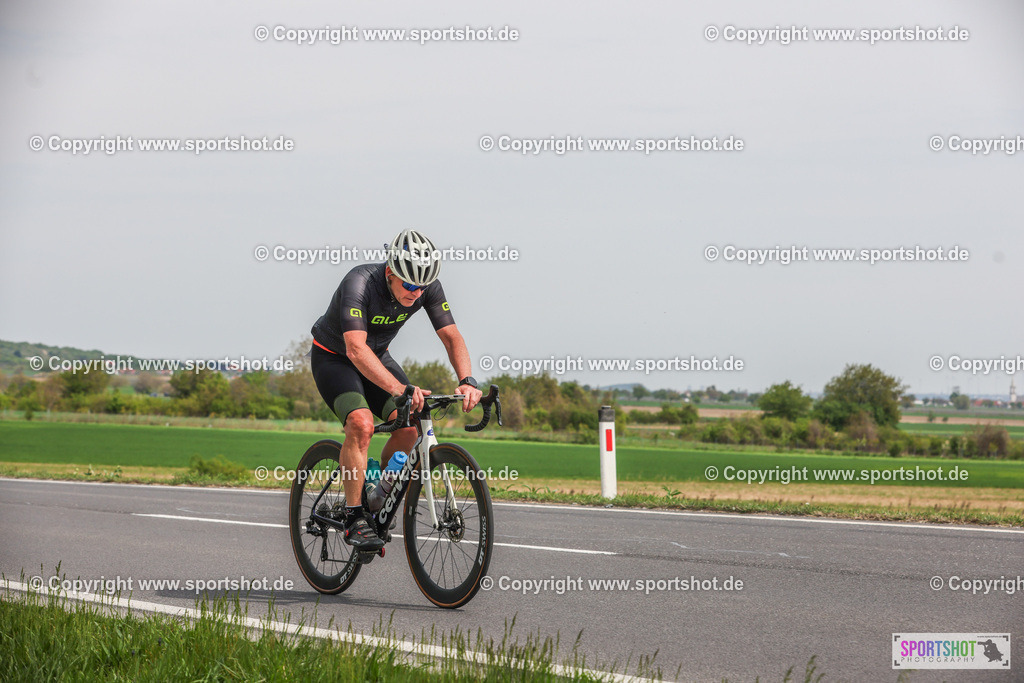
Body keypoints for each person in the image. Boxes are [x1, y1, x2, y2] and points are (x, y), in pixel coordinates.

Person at [309, 229, 483, 550]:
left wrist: (467, 379)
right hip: (335, 358)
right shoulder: (359, 282)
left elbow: (451, 336)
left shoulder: (425, 286)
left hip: (377, 357)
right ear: (390, 273)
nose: (416, 293)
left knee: (410, 429)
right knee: (361, 424)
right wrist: (400, 388)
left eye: (422, 287)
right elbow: (355, 349)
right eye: (409, 285)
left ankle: (378, 491)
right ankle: (353, 516)